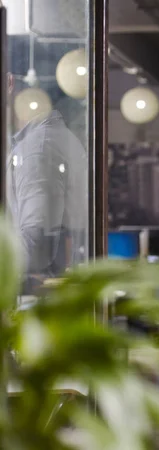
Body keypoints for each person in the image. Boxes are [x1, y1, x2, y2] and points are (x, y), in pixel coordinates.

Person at [6, 74, 88, 294]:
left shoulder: (36, 150)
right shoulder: (46, 141)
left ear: (9, 83)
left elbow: (37, 247)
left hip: (41, 301)